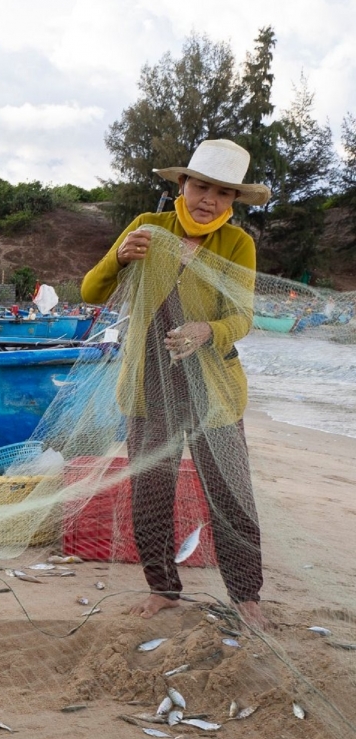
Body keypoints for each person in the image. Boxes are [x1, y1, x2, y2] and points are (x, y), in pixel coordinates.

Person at [80, 139, 268, 631]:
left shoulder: (237, 244)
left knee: (230, 493)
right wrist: (119, 258)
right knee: (151, 490)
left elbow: (242, 317)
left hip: (213, 388)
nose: (209, 199)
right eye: (201, 185)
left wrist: (208, 331)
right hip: (149, 386)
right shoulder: (148, 227)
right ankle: (163, 588)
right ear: (182, 184)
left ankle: (246, 596)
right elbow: (91, 291)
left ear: (234, 201)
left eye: (224, 193)